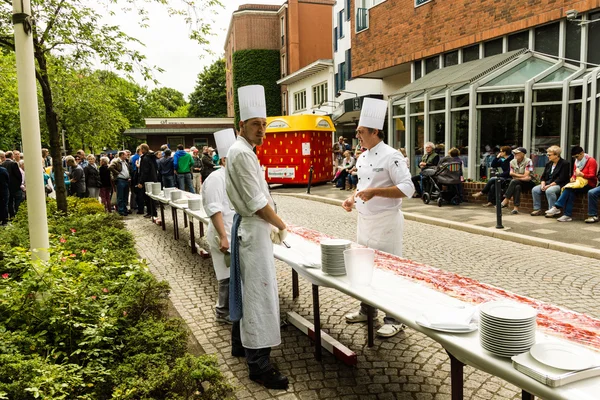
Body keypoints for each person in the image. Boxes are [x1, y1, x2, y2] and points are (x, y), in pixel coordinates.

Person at [226, 85, 289, 390]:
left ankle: (240, 345)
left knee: (248, 289)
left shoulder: (243, 151)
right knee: (258, 296)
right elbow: (257, 202)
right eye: (256, 124)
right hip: (253, 229)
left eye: (264, 124)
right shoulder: (241, 153)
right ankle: (259, 366)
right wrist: (281, 224)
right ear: (242, 125)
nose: (262, 129)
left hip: (253, 230)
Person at [341, 97, 415, 338]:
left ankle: (394, 318)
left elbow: (408, 188)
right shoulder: (362, 157)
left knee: (389, 269)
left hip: (386, 222)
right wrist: (353, 199)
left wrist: (376, 192)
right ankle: (367, 309)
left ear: (375, 131)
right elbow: (363, 185)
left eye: (361, 131)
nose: (357, 135)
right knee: (365, 267)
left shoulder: (391, 156)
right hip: (365, 222)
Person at [202, 129, 236, 325]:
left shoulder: (234, 177)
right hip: (222, 235)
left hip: (235, 233)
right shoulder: (216, 179)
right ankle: (222, 312)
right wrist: (223, 236)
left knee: (234, 276)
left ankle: (232, 310)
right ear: (224, 160)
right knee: (226, 276)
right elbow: (214, 209)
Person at [546, 146, 598, 222]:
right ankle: (566, 215)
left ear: (582, 153)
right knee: (569, 192)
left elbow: (593, 175)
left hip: (589, 184)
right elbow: (574, 173)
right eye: (574, 157)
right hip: (578, 183)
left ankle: (558, 208)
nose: (576, 159)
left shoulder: (591, 161)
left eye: (577, 156)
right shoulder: (577, 162)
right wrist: (573, 178)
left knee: (568, 189)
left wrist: (582, 175)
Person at [530, 146, 570, 216]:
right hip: (548, 183)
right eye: (547, 154)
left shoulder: (565, 163)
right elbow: (543, 177)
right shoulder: (548, 164)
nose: (548, 156)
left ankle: (552, 210)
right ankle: (537, 209)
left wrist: (549, 185)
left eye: (549, 155)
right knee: (535, 189)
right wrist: (543, 184)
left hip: (559, 184)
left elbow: (562, 178)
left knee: (550, 190)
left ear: (556, 155)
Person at [499, 147, 533, 214]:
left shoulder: (528, 161)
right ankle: (515, 208)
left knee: (514, 181)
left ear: (523, 154)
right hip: (518, 182)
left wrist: (517, 176)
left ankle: (506, 199)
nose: (515, 154)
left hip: (528, 183)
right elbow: (511, 173)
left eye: (517, 153)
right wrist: (522, 176)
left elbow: (527, 175)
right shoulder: (512, 162)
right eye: (514, 153)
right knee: (517, 187)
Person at [137, 144, 159, 218]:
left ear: (143, 149)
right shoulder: (152, 157)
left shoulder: (145, 158)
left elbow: (144, 171)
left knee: (147, 197)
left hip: (147, 180)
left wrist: (141, 182)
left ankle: (151, 212)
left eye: (140, 149)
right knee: (151, 197)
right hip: (153, 178)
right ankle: (152, 212)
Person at [109, 151, 132, 217]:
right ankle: (121, 210)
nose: (127, 156)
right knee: (120, 196)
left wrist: (129, 176)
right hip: (120, 180)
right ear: (122, 155)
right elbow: (110, 167)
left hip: (126, 180)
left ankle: (124, 209)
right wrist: (117, 173)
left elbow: (127, 170)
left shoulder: (125, 162)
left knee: (125, 196)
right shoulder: (116, 161)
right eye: (126, 155)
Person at [2, 151, 24, 218]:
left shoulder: (2, 164)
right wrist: (19, 183)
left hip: (7, 186)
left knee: (10, 202)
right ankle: (18, 214)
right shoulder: (13, 164)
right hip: (15, 186)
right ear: (12, 156)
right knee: (18, 200)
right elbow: (18, 175)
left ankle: (11, 215)